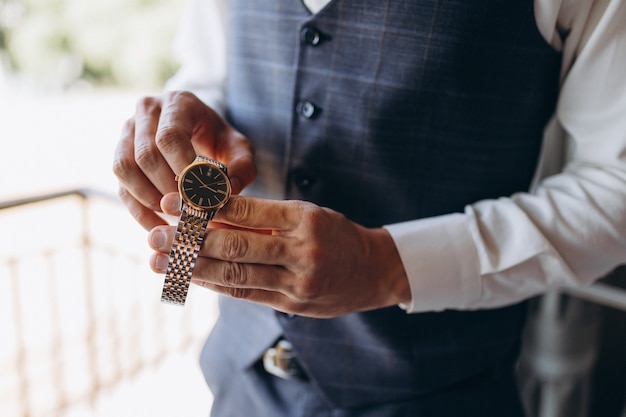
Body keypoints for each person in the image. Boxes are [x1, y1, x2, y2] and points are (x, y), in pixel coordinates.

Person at [113, 0, 626, 415]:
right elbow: (210, 70)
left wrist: (388, 266)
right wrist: (185, 119)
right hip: (238, 381)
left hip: (442, 398)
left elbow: (618, 184)